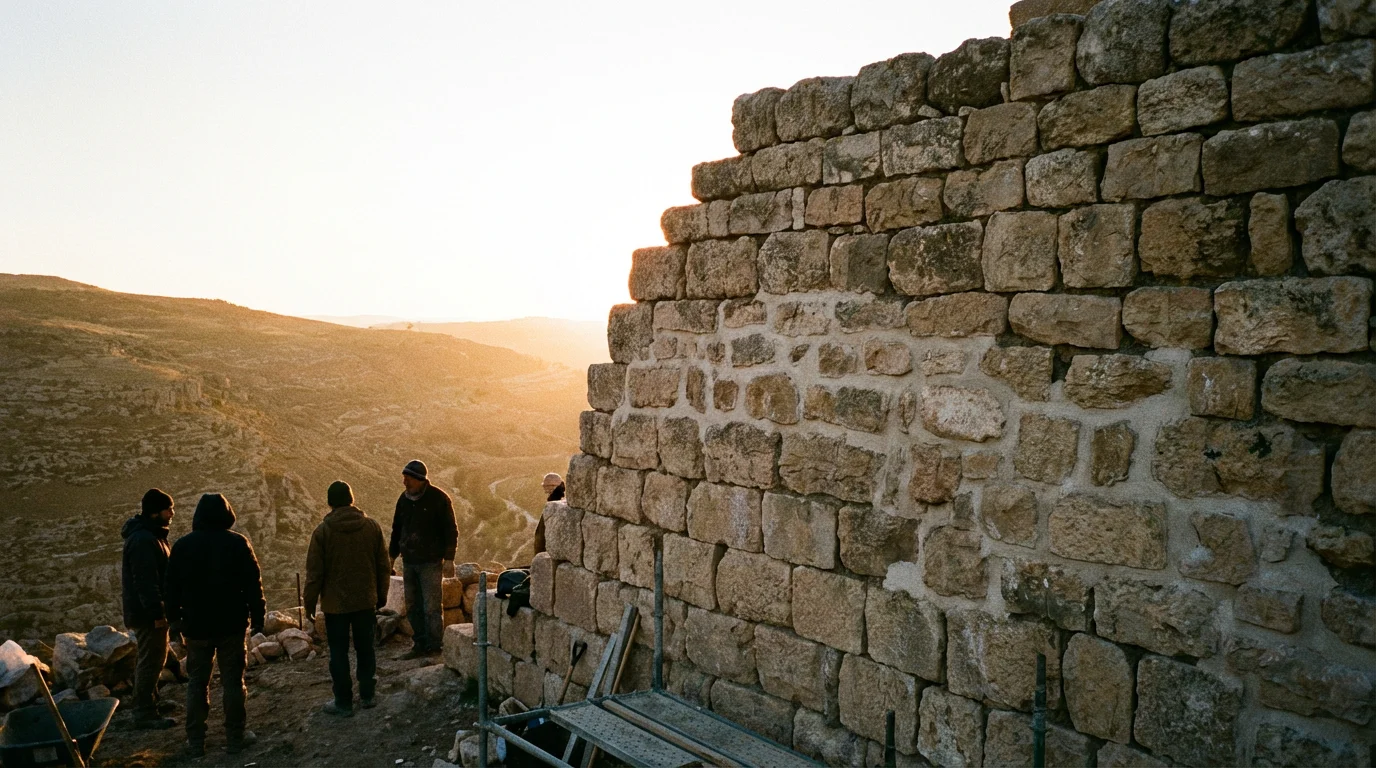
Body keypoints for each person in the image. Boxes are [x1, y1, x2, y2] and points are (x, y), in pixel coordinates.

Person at [164, 494, 266, 757]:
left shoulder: (183, 546)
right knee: (233, 681)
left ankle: (196, 742)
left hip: (196, 627)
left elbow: (171, 589)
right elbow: (254, 584)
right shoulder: (238, 543)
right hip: (231, 625)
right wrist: (258, 620)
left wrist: (175, 623)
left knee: (197, 683)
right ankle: (236, 737)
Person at [303, 481, 390, 716]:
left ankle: (343, 702)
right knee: (365, 648)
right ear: (352, 499)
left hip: (335, 605)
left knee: (339, 653)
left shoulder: (322, 532)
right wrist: (381, 596)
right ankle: (368, 695)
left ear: (330, 502)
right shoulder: (371, 527)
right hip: (365, 600)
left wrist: (309, 604)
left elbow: (314, 574)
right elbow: (383, 565)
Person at [389, 460, 457, 659]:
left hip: (431, 562)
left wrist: (449, 559)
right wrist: (392, 556)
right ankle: (419, 644)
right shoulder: (404, 500)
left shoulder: (439, 499)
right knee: (412, 606)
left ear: (420, 480)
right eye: (404, 478)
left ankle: (435, 647)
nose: (405, 482)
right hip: (409, 561)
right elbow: (396, 529)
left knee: (431, 607)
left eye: (408, 479)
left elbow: (450, 530)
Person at [121, 489, 176, 730]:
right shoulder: (144, 540)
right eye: (168, 509)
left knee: (155, 656)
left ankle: (151, 701)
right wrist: (157, 613)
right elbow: (146, 582)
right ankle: (143, 712)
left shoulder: (152, 535)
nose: (172, 513)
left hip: (148, 610)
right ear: (155, 513)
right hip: (147, 613)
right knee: (151, 659)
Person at [531, 472, 565, 557]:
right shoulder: (558, 505)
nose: (546, 490)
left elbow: (541, 538)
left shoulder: (554, 507)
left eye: (547, 487)